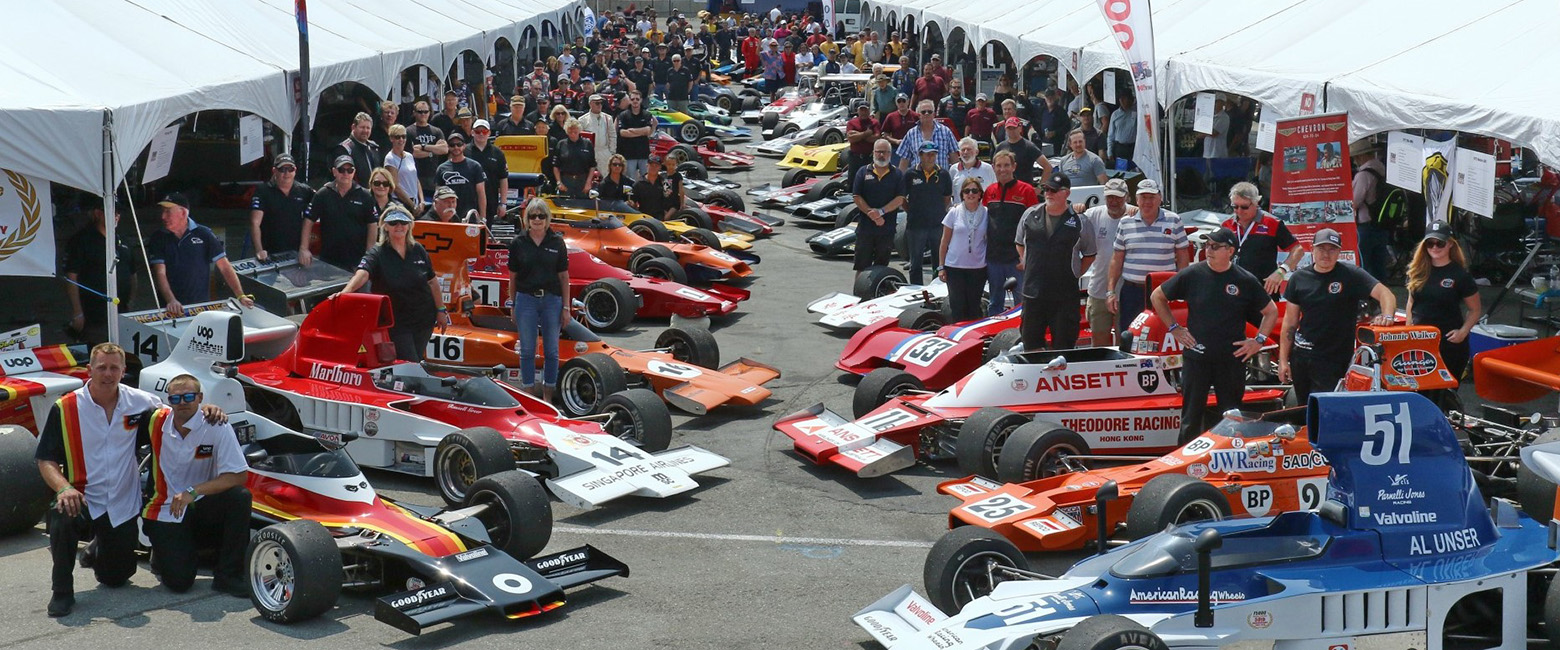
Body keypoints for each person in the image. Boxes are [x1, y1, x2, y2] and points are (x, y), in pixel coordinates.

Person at [35, 343, 225, 617]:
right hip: (83, 496)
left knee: (116, 578)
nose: (108, 374)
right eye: (102, 367)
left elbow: (178, 414)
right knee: (62, 515)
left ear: (124, 371)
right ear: (89, 370)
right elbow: (45, 459)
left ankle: (98, 547)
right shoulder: (65, 407)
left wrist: (207, 408)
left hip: (122, 502)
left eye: (114, 368)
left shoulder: (141, 402)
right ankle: (62, 591)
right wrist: (63, 488)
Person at [1151, 228, 1277, 443]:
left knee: (1231, 416)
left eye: (1215, 246)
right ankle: (1184, 466)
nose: (1208, 250)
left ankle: (1230, 461)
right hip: (1197, 357)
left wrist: (1258, 341)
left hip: (1231, 360)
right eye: (1206, 245)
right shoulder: (1193, 274)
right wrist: (1175, 329)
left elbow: (1271, 311)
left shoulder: (1244, 279)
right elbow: (1157, 296)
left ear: (1230, 250)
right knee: (1191, 417)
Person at [139, 374, 250, 595]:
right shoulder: (155, 420)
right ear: (168, 400)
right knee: (179, 583)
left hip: (199, 503)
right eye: (176, 398)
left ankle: (228, 575)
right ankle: (162, 554)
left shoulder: (217, 424)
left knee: (240, 496)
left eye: (189, 397)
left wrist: (193, 491)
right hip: (164, 508)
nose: (182, 403)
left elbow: (238, 475)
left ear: (199, 398)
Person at [1278, 228, 1397, 402]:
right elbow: (1290, 322)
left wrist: (1387, 316)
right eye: (1321, 249)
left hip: (1333, 360)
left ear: (1339, 252)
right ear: (1312, 249)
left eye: (1332, 249)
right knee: (1304, 411)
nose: (1326, 254)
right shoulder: (1298, 278)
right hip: (1302, 357)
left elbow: (1386, 294)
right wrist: (1283, 360)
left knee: (1327, 410)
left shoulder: (1351, 274)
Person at [337, 206, 447, 361]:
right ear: (385, 226)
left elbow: (432, 281)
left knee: (417, 358)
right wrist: (345, 293)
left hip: (424, 318)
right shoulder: (378, 252)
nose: (399, 226)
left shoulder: (418, 249)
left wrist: (441, 310)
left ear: (409, 225)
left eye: (403, 222)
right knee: (411, 362)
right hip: (397, 321)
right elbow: (362, 274)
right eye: (394, 222)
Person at [1014, 173, 1095, 351]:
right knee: (1031, 344)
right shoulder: (1030, 214)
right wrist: (1028, 264)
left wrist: (1076, 272)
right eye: (1046, 189)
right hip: (1033, 293)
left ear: (1066, 193)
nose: (1048, 193)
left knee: (1064, 346)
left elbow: (1089, 254)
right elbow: (1020, 243)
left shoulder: (1080, 220)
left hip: (1064, 296)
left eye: (1054, 190)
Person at [147, 193, 254, 317]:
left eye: (168, 212)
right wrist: (171, 300)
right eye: (162, 212)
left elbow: (225, 266)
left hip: (200, 308)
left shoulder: (204, 234)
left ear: (183, 213)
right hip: (170, 309)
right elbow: (160, 272)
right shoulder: (158, 237)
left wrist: (240, 295)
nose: (163, 216)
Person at [1107, 179, 1189, 334]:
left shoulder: (1174, 220)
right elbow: (1116, 259)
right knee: (1130, 335)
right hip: (1133, 291)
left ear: (1160, 198)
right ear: (1137, 200)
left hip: (1164, 290)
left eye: (1151, 197)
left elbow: (1183, 256)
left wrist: (1182, 287)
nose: (1147, 201)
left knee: (1164, 334)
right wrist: (1110, 292)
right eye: (1143, 197)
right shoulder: (1125, 223)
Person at [508, 199, 571, 401]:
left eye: (541, 216)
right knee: (527, 350)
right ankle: (528, 395)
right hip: (525, 300)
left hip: (552, 301)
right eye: (533, 216)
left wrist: (566, 307)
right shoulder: (518, 243)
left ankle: (547, 396)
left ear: (547, 219)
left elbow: (564, 277)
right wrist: (513, 304)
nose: (537, 219)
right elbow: (512, 278)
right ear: (527, 219)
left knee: (552, 351)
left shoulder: (557, 242)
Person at [1405, 221, 1481, 380]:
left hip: (1448, 342)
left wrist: (1463, 331)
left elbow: (1475, 309)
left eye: (1440, 243)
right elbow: (1411, 302)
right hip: (1420, 340)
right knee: (1418, 391)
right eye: (1430, 243)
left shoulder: (1460, 275)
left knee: (1445, 393)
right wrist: (1408, 330)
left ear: (1450, 244)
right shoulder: (1417, 270)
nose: (1435, 247)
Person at [65, 200, 137, 344]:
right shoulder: (81, 240)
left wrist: (131, 301)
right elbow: (71, 276)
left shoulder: (123, 240)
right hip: (93, 315)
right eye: (113, 212)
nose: (117, 216)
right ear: (98, 213)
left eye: (118, 213)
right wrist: (78, 312)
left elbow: (132, 273)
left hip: (122, 313)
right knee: (97, 354)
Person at [983, 150, 1038, 314]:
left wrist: (1026, 256)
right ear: (993, 168)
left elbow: (1035, 227)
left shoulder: (1026, 190)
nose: (1002, 169)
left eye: (1006, 165)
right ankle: (995, 337)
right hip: (994, 258)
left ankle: (1023, 336)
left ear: (1014, 167)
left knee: (1022, 302)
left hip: (1017, 259)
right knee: (994, 302)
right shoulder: (989, 191)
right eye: (998, 166)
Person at [1221, 182, 1301, 295]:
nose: (1239, 211)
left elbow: (1298, 250)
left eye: (1244, 207)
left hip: (1263, 291)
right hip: (1233, 289)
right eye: (1235, 206)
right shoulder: (1226, 224)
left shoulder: (1272, 223)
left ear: (1256, 203)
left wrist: (1281, 272)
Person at [302, 156, 379, 270]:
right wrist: (304, 248)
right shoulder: (323, 194)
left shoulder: (365, 196)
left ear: (354, 172)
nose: (346, 173)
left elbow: (372, 225)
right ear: (334, 172)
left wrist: (369, 256)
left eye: (350, 170)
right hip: (328, 261)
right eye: (341, 170)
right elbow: (308, 220)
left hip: (357, 262)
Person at [1082, 178, 1132, 345]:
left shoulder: (1137, 214)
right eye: (1110, 197)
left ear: (1127, 197)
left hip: (1127, 292)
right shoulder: (1092, 214)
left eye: (1118, 197)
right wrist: (1073, 210)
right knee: (1099, 342)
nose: (1114, 201)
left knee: (1125, 341)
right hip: (1099, 290)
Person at [851, 139, 905, 278]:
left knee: (881, 268)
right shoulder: (863, 172)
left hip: (886, 230)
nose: (882, 155)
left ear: (890, 154)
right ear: (873, 153)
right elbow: (857, 196)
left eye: (885, 152)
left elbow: (900, 199)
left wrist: (881, 212)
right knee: (862, 267)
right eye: (879, 152)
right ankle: (859, 295)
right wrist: (871, 214)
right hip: (865, 229)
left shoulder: (897, 174)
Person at [939, 177, 990, 322]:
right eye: (967, 191)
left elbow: (989, 239)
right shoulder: (954, 212)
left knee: (973, 307)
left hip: (978, 267)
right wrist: (941, 266)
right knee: (957, 306)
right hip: (954, 267)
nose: (970, 194)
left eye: (974, 190)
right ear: (962, 194)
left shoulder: (986, 213)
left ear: (980, 194)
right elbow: (944, 241)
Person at [902, 142, 952, 285]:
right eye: (927, 154)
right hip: (916, 225)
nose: (931, 157)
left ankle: (937, 290)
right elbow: (902, 198)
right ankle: (917, 290)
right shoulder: (910, 174)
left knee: (938, 262)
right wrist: (912, 211)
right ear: (920, 155)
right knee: (915, 263)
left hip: (937, 225)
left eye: (933, 154)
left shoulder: (943, 174)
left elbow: (946, 198)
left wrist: (936, 212)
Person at [249, 153, 314, 262]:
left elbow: (316, 213)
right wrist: (259, 250)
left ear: (295, 170)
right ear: (274, 171)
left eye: (290, 169)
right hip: (270, 253)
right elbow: (255, 223)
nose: (286, 173)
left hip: (297, 253)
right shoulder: (263, 191)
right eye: (282, 169)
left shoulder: (304, 191)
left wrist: (305, 248)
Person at [1351, 142, 1391, 282]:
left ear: (1361, 156)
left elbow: (1355, 202)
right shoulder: (1383, 169)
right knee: (1379, 266)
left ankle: (1367, 297)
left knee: (1364, 264)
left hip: (1366, 225)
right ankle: (1381, 297)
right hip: (1382, 223)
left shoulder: (1363, 175)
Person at [434, 130, 487, 221]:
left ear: (464, 146)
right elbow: (437, 195)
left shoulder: (475, 166)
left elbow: (481, 194)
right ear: (448, 147)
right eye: (452, 145)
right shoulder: (442, 168)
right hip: (448, 216)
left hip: (470, 216)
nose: (456, 147)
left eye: (459, 144)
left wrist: (482, 217)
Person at [466, 120, 509, 222]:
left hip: (491, 199)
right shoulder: (465, 151)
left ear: (489, 133)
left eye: (484, 131)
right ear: (472, 132)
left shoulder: (498, 153)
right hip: (468, 200)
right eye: (478, 131)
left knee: (485, 233)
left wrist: (503, 203)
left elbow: (503, 179)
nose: (481, 134)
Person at [405, 100, 449, 198]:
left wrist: (423, 147)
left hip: (434, 178)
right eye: (420, 112)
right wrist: (433, 152)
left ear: (430, 113)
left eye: (426, 111)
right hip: (416, 177)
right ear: (414, 113)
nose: (423, 114)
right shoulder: (408, 131)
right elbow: (413, 153)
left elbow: (444, 149)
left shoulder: (437, 131)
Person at [995, 117, 1051, 187]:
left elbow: (1048, 167)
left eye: (1014, 128)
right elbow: (994, 168)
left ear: (1020, 128)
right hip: (1005, 189)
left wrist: (1040, 188)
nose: (1012, 131)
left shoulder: (1029, 146)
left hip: (1024, 191)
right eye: (1009, 128)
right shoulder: (1000, 147)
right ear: (1005, 129)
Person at [383, 125, 424, 212]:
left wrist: (422, 201)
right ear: (391, 139)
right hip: (400, 203)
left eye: (403, 136)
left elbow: (416, 179)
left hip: (415, 202)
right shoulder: (390, 158)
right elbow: (395, 186)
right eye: (397, 137)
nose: (401, 139)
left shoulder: (409, 156)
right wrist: (412, 205)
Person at [333, 112, 380, 187]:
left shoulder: (374, 148)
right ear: (353, 127)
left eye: (368, 128)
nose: (365, 131)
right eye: (362, 127)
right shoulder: (344, 149)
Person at [615, 92, 655, 181]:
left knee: (646, 179)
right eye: (632, 99)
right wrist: (641, 131)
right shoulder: (623, 115)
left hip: (643, 153)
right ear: (629, 100)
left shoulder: (647, 114)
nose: (635, 101)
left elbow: (648, 131)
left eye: (637, 99)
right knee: (630, 180)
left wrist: (631, 131)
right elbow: (622, 133)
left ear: (641, 100)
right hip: (629, 154)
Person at [553, 118, 597, 198]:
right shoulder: (561, 144)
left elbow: (592, 165)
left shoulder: (587, 144)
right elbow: (556, 166)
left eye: (575, 132)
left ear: (579, 130)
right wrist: (559, 182)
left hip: (582, 181)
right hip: (566, 181)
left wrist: (588, 182)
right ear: (566, 131)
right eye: (570, 132)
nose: (573, 134)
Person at [577, 95, 618, 178]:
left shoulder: (608, 118)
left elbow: (612, 135)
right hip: (590, 152)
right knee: (588, 177)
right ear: (590, 104)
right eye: (597, 103)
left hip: (604, 151)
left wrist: (611, 151)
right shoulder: (582, 120)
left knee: (607, 177)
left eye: (601, 103)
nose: (599, 105)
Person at [631, 154, 682, 220]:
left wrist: (667, 216)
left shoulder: (665, 182)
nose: (653, 167)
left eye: (656, 165)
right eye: (651, 165)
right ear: (647, 166)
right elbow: (633, 202)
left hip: (662, 219)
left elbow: (673, 202)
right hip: (644, 219)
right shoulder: (638, 184)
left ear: (660, 167)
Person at [845, 100, 880, 182]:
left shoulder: (875, 122)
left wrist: (857, 135)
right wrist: (866, 134)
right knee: (853, 182)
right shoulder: (851, 123)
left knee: (870, 181)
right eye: (861, 110)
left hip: (869, 158)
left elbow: (876, 138)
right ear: (858, 111)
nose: (863, 112)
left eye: (865, 110)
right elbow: (851, 138)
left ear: (869, 111)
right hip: (855, 158)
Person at [1107, 94, 1137, 169]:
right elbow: (1111, 135)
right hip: (1120, 148)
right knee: (1121, 171)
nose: (1122, 101)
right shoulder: (1115, 114)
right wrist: (1109, 152)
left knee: (1134, 172)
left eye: (1125, 98)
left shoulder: (1136, 113)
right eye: (1121, 99)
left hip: (1133, 148)